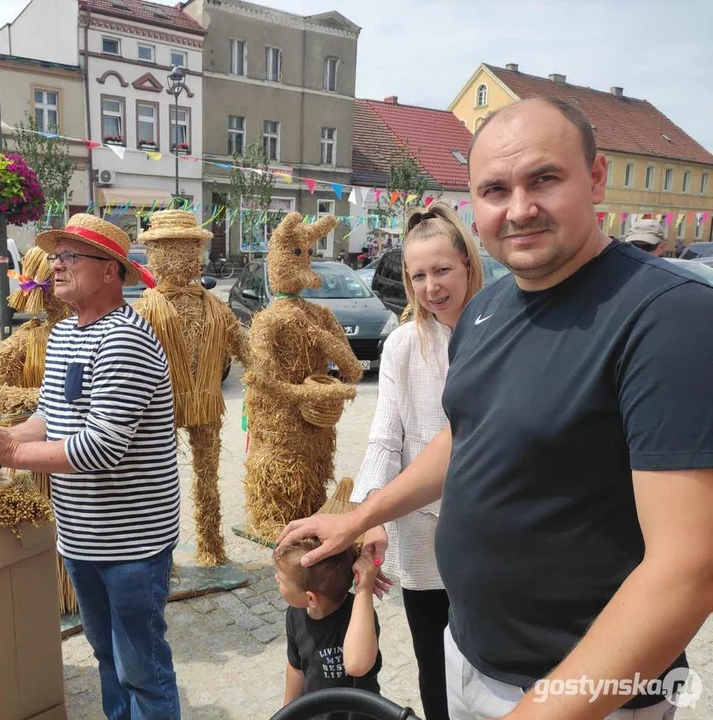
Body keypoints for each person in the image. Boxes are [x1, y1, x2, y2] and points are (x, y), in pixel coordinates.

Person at [278, 97, 713, 720]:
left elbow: (689, 569)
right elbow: (467, 435)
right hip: (468, 653)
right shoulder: (488, 312)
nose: (519, 208)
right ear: (472, 205)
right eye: (494, 189)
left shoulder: (668, 317)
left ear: (595, 178)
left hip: (582, 693)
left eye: (545, 179)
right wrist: (361, 515)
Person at [0, 214, 181, 720]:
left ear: (111, 271)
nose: (57, 267)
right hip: (82, 537)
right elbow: (52, 416)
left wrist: (10, 454)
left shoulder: (125, 339)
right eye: (56, 257)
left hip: (132, 543)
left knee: (143, 668)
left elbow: (99, 448)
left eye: (71, 257)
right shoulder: (69, 332)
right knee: (108, 658)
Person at [350, 201, 484, 720]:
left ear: (468, 264)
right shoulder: (405, 344)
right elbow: (386, 436)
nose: (432, 286)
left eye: (443, 270)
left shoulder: (501, 332)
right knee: (434, 662)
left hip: (488, 532)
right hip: (422, 539)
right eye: (418, 275)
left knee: (489, 662)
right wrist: (371, 512)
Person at [275, 537, 383, 720]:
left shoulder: (358, 615)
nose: (276, 578)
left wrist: (364, 590)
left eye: (282, 580)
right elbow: (296, 667)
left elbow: (357, 664)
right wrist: (286, 713)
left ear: (311, 598)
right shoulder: (295, 614)